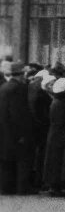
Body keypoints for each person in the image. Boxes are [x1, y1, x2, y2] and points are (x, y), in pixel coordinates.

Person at [0, 60, 35, 194]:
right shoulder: (19, 88)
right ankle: (22, 188)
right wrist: (22, 134)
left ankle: (6, 188)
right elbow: (18, 113)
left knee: (6, 161)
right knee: (22, 161)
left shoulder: (4, 86)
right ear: (21, 74)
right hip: (16, 132)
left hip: (4, 131)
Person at [42, 77, 65, 197]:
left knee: (53, 160)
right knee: (56, 161)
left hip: (54, 134)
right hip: (59, 135)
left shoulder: (56, 101)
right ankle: (54, 187)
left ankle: (53, 186)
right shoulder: (62, 103)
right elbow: (63, 121)